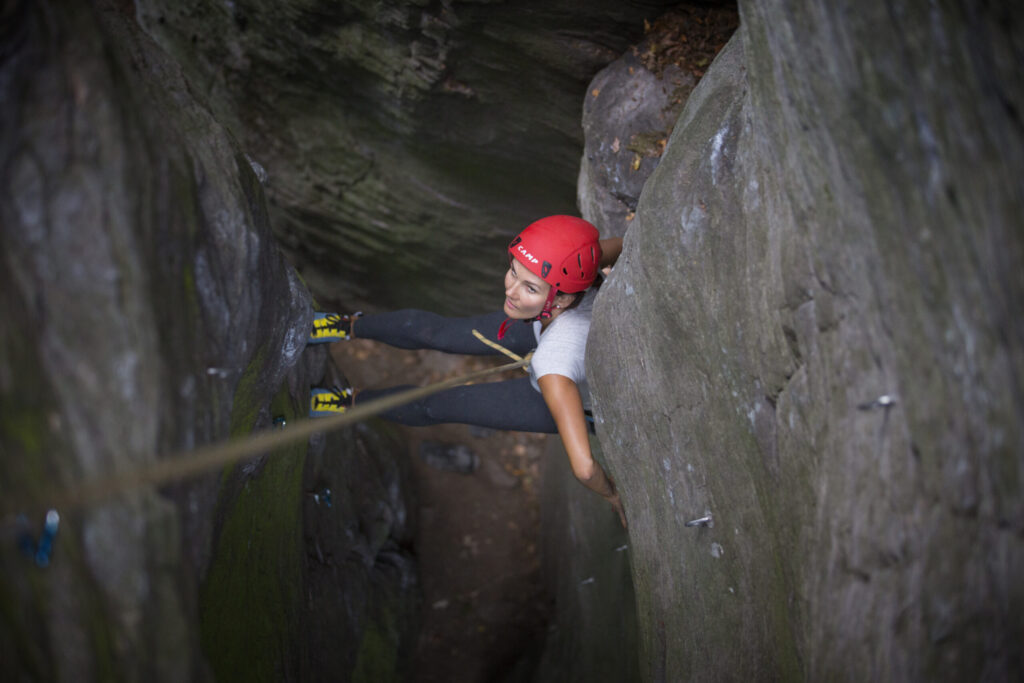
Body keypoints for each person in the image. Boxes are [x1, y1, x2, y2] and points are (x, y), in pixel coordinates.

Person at [308, 215, 626, 526]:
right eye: (513, 272)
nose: (511, 291)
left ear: (564, 297)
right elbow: (622, 244)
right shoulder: (578, 267)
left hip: (565, 392)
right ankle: (346, 326)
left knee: (436, 405)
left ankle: (350, 402)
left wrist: (611, 494)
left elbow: (584, 468)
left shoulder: (553, 364)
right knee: (438, 333)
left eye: (529, 288)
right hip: (543, 321)